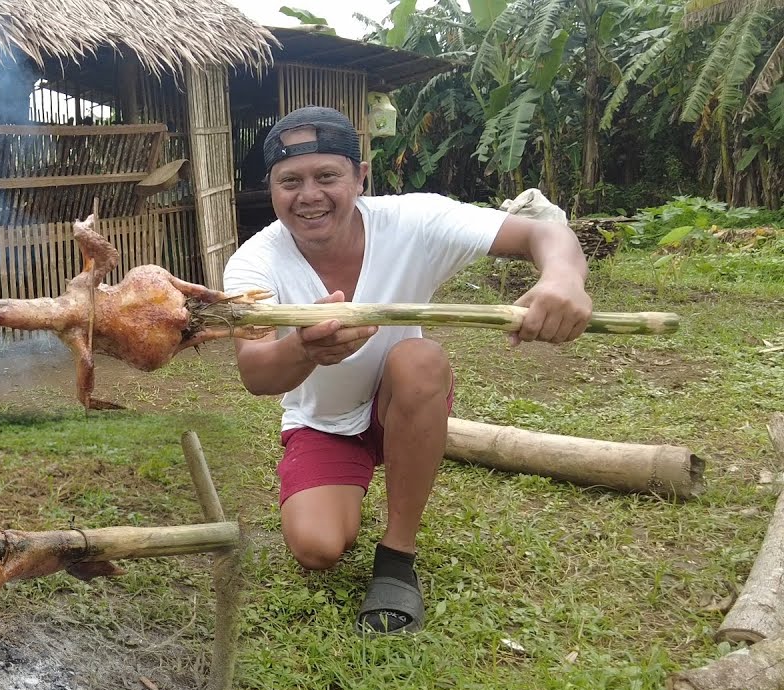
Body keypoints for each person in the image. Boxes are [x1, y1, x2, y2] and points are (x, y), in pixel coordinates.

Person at [222, 106, 592, 634]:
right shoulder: (254, 264)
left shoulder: (416, 221)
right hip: (324, 424)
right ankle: (349, 476)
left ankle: (397, 557)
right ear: (272, 188)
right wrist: (307, 350)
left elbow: (543, 236)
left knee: (421, 359)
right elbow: (255, 373)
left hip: (402, 397)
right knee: (317, 549)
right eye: (290, 181)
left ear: (360, 176)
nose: (309, 196)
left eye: (327, 176)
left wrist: (562, 279)